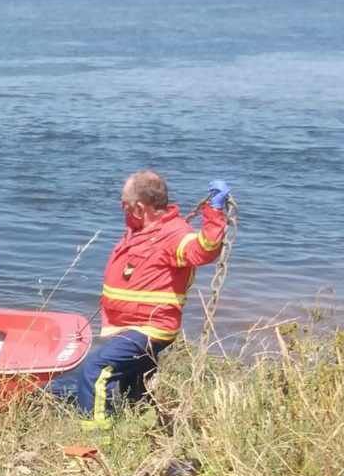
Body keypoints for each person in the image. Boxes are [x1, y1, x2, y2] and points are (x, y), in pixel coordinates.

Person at [49, 172, 229, 439]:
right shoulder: (143, 230)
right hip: (130, 326)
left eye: (124, 202)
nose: (121, 207)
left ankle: (96, 439)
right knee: (135, 386)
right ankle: (145, 434)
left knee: (94, 371)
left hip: (150, 328)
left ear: (140, 207)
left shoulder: (174, 235)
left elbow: (204, 250)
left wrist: (214, 212)